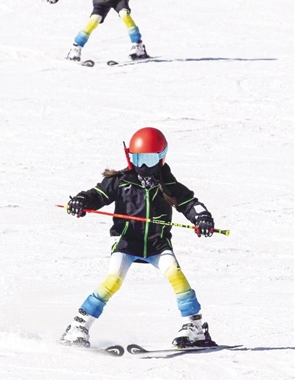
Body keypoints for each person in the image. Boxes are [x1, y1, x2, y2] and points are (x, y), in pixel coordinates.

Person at [60, 127, 216, 349]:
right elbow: (96, 195)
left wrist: (202, 218)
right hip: (126, 241)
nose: (143, 166)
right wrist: (81, 201)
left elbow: (190, 203)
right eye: (137, 158)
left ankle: (195, 327)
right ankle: (78, 326)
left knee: (176, 276)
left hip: (157, 243)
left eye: (149, 159)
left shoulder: (168, 185)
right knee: (113, 280)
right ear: (129, 157)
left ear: (161, 157)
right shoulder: (120, 181)